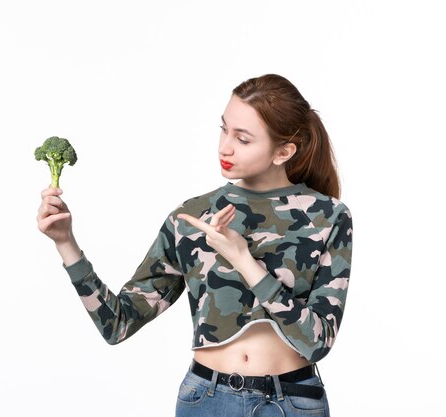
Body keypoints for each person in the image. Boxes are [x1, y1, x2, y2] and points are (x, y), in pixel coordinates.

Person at [37, 73, 353, 417]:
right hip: (207, 401)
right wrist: (66, 243)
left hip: (293, 401)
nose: (224, 147)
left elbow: (317, 341)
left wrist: (243, 259)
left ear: (283, 151)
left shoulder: (328, 216)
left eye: (243, 139)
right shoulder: (191, 217)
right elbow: (118, 324)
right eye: (224, 129)